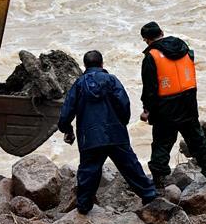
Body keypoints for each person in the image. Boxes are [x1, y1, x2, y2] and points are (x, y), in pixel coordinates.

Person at [58, 50, 157, 214]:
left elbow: (66, 111)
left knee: (88, 172)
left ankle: (83, 207)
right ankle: (149, 194)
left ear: (85, 65)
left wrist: (66, 129)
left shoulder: (79, 84)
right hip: (115, 133)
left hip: (90, 136)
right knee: (130, 166)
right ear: (102, 64)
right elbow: (124, 104)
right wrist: (121, 123)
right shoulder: (112, 80)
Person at [139, 22, 206, 188]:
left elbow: (150, 89)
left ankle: (159, 183)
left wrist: (147, 110)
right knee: (197, 140)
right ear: (162, 32)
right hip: (188, 103)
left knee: (161, 144)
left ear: (146, 40)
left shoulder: (151, 57)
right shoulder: (184, 47)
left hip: (165, 108)